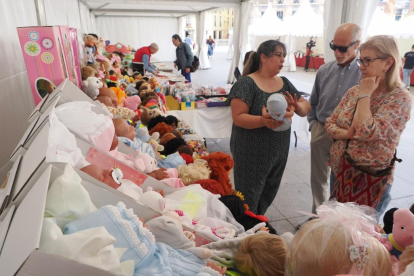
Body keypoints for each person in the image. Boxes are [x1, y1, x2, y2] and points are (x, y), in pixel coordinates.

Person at [326, 35, 412, 215]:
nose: (362, 67)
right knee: (334, 226)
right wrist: (347, 134)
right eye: (361, 61)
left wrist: (365, 95)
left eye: (368, 61)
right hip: (341, 168)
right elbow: (329, 123)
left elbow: (366, 131)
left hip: (369, 177)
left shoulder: (400, 98)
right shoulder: (354, 91)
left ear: (388, 63)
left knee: (360, 236)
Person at [226, 40, 311, 215]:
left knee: (269, 189)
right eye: (278, 55)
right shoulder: (246, 84)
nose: (282, 60)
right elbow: (238, 117)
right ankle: (247, 226)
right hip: (251, 149)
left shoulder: (285, 83)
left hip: (277, 149)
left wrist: (297, 106)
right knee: (248, 193)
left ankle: (257, 220)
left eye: (284, 56)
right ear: (263, 57)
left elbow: (305, 108)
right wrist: (263, 121)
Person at [307, 23, 362, 216]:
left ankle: (338, 224)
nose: (337, 52)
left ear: (357, 45)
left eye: (343, 48)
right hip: (321, 130)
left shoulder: (365, 74)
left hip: (349, 136)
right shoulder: (324, 70)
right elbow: (313, 101)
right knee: (318, 179)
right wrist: (314, 125)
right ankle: (318, 219)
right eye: (334, 46)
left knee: (342, 182)